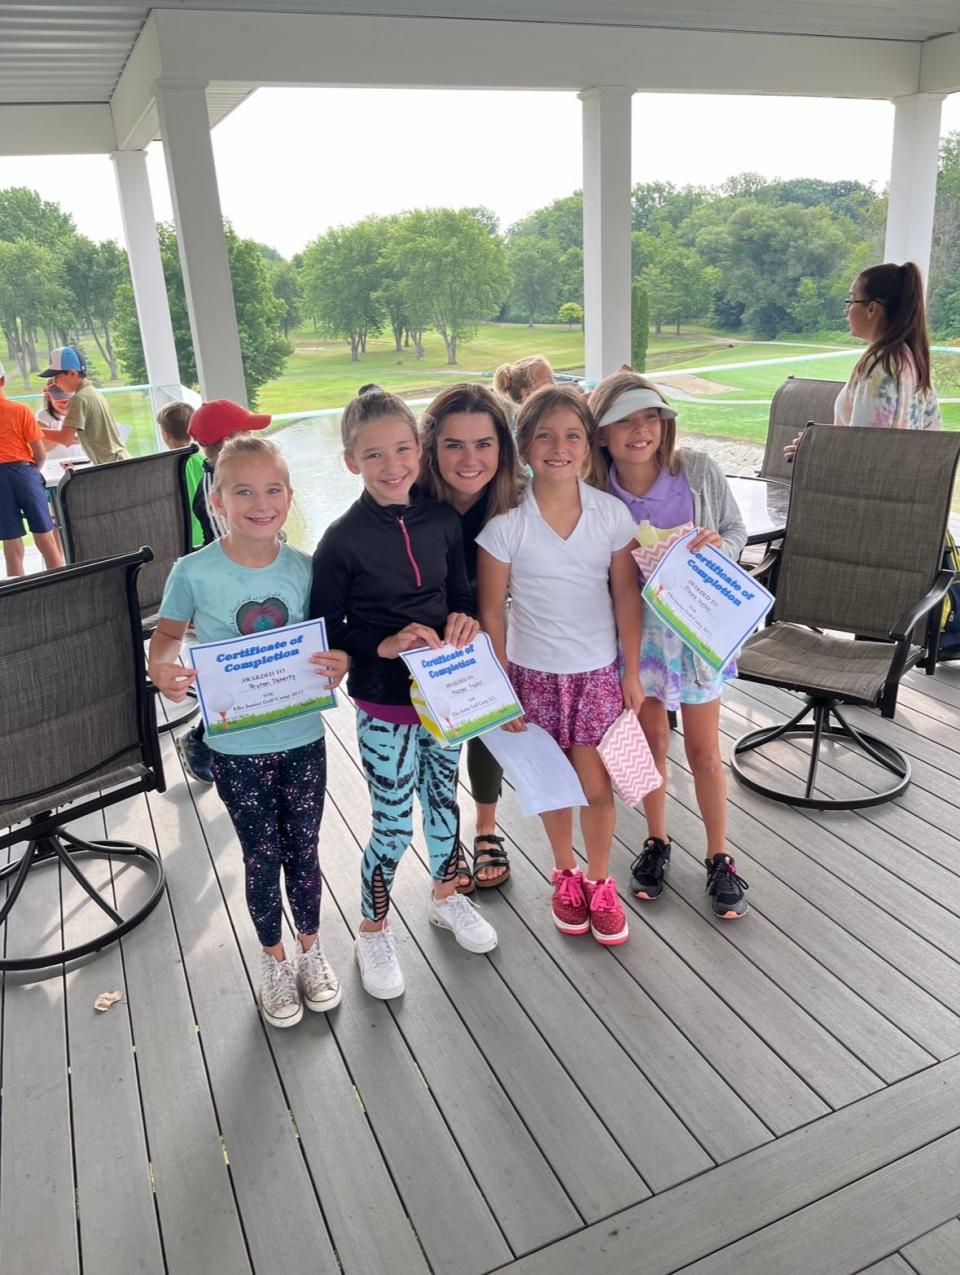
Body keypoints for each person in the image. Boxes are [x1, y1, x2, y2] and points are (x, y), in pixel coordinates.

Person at [147, 434, 349, 1028]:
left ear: (289, 496)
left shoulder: (309, 569)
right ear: (217, 500)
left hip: (303, 736)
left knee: (304, 850)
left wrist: (342, 661)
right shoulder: (193, 572)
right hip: (235, 745)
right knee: (261, 856)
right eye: (243, 491)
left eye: (273, 489)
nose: (261, 503)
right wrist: (165, 672)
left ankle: (312, 950)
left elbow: (330, 642)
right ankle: (274, 960)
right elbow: (165, 639)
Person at [311, 388, 498, 1000]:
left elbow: (462, 593)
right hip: (385, 704)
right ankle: (372, 928)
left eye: (401, 450)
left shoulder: (443, 521)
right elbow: (329, 631)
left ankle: (446, 897)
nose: (392, 466)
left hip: (446, 696)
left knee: (444, 805)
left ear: (418, 449)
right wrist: (385, 644)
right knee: (392, 823)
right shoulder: (339, 542)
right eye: (373, 456)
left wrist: (464, 620)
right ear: (351, 462)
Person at [477, 384, 644, 945]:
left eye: (572, 435)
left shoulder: (611, 517)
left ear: (589, 446)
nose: (559, 446)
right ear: (524, 445)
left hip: (596, 674)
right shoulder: (505, 526)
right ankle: (564, 872)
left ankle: (600, 880)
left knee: (596, 786)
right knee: (554, 786)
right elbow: (492, 616)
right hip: (532, 676)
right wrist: (500, 688)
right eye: (544, 434)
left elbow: (625, 597)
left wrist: (631, 672)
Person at [588, 371, 750, 920]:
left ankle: (719, 854)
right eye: (625, 420)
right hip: (638, 641)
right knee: (653, 742)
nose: (641, 430)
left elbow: (734, 530)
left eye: (651, 416)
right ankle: (657, 841)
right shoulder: (594, 492)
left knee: (704, 751)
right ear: (601, 433)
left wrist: (715, 547)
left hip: (697, 633)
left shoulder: (697, 471)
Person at [419, 383, 525, 889]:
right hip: (424, 638)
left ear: (501, 447)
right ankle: (445, 837)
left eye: (483, 444)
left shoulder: (519, 498)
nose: (469, 459)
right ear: (431, 448)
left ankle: (486, 829)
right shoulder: (408, 496)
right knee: (434, 741)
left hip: (492, 628)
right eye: (453, 445)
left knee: (489, 719)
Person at [175, 399, 273, 785]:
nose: (255, 437)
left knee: (250, 684)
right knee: (235, 687)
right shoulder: (217, 494)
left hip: (257, 595)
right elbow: (233, 557)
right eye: (248, 433)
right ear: (230, 442)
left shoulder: (229, 480)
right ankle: (201, 740)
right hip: (237, 607)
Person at [785, 261, 940, 459]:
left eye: (851, 301)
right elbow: (934, 438)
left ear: (872, 309)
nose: (846, 310)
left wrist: (813, 451)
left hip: (864, 488)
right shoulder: (914, 361)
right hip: (902, 486)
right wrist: (815, 444)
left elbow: (861, 451)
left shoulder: (878, 366)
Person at [0, 361, 64, 577]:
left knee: (11, 543)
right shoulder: (20, 410)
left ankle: (19, 597)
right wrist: (31, 472)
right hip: (24, 472)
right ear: (3, 381)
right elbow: (40, 452)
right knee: (45, 535)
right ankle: (61, 586)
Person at [37, 346, 129, 464]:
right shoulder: (93, 392)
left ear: (72, 373)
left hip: (111, 464)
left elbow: (65, 439)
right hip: (119, 459)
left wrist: (31, 429)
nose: (55, 382)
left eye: (57, 376)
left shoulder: (79, 398)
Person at [156, 400, 205, 548]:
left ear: (166, 434)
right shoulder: (205, 461)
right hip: (206, 537)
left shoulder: (162, 469)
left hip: (180, 541)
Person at [35, 382, 84, 464]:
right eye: (59, 399)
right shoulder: (43, 415)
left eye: (68, 398)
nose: (64, 404)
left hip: (81, 460)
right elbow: (44, 447)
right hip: (56, 464)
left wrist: (64, 436)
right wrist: (65, 436)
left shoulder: (80, 412)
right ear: (49, 398)